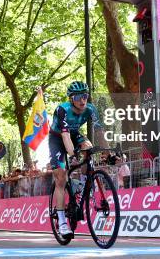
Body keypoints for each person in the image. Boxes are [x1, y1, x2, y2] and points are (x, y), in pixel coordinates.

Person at [47, 81, 112, 237]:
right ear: (71, 99)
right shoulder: (63, 109)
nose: (82, 100)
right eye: (78, 97)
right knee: (61, 177)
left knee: (88, 147)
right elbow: (64, 136)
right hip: (57, 138)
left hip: (74, 133)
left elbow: (99, 132)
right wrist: (72, 155)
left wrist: (109, 152)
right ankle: (62, 221)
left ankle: (85, 183)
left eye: (85, 96)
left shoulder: (90, 109)